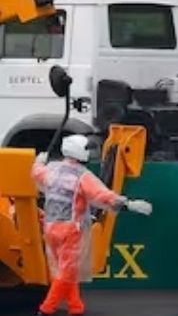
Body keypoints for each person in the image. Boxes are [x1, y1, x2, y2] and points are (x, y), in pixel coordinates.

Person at [33, 134, 153, 316]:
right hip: (70, 230)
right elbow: (102, 196)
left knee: (66, 270)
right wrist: (128, 203)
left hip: (50, 228)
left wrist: (38, 162)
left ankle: (76, 306)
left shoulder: (52, 170)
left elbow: (37, 173)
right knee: (65, 273)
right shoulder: (82, 177)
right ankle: (47, 308)